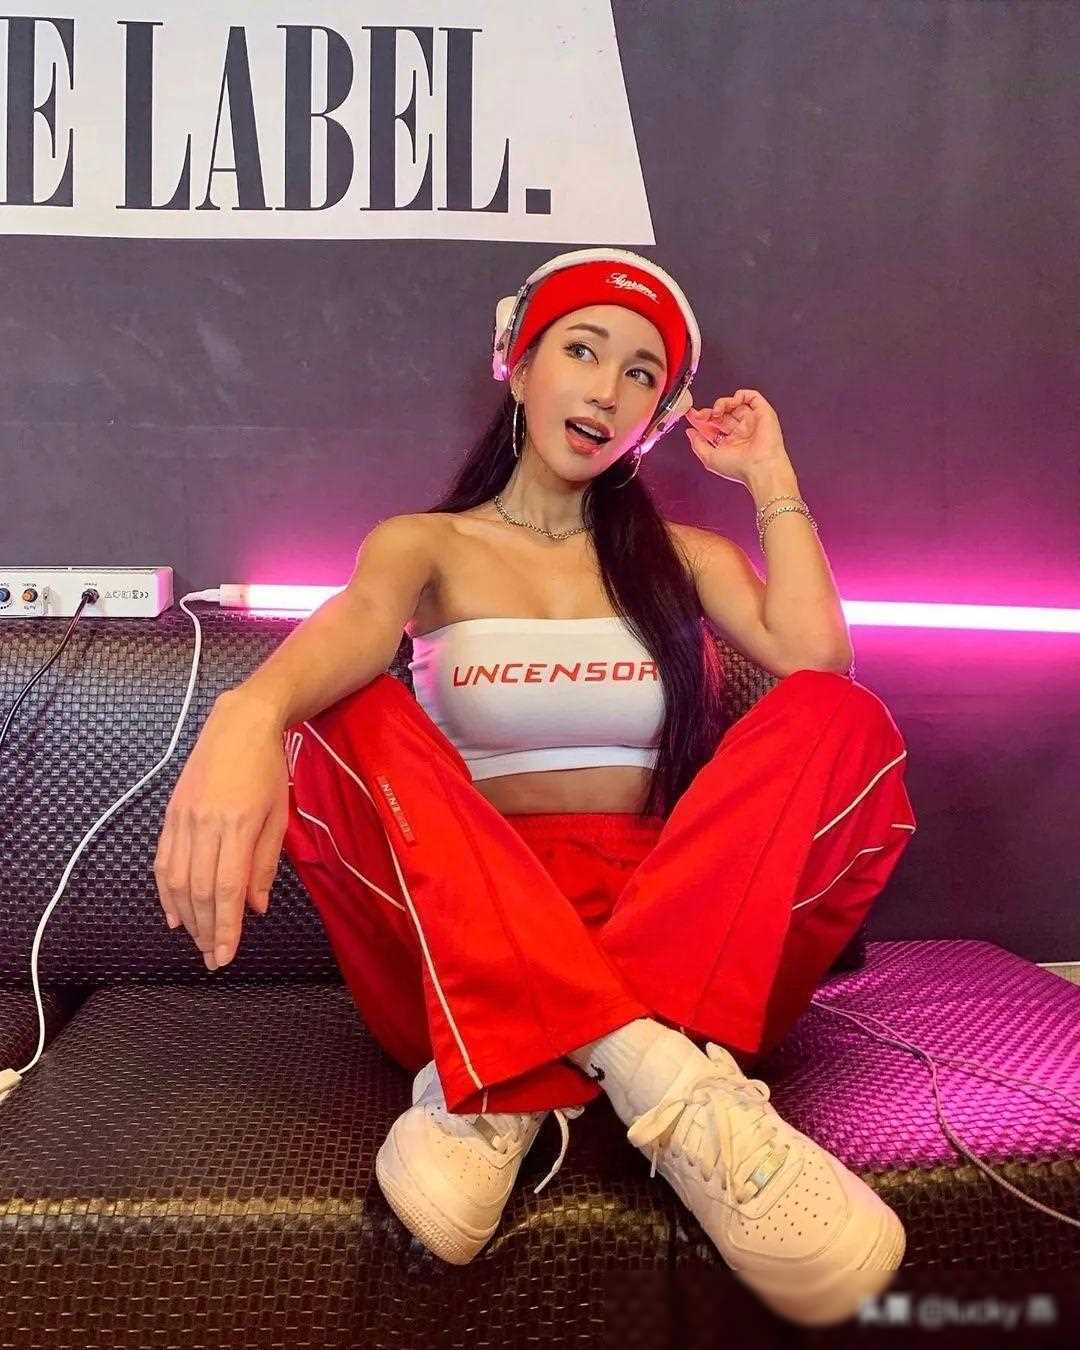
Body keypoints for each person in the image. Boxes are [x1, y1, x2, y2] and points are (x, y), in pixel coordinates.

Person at [153, 248, 917, 1327]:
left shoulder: (684, 556)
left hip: (678, 935)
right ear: (518, 366)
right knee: (346, 707)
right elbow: (359, 626)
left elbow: (815, 656)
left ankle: (517, 1077)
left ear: (657, 414)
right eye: (583, 350)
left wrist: (770, 477)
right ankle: (656, 1076)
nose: (607, 390)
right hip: (467, 931)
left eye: (642, 373)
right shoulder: (425, 544)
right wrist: (248, 712)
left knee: (838, 716)